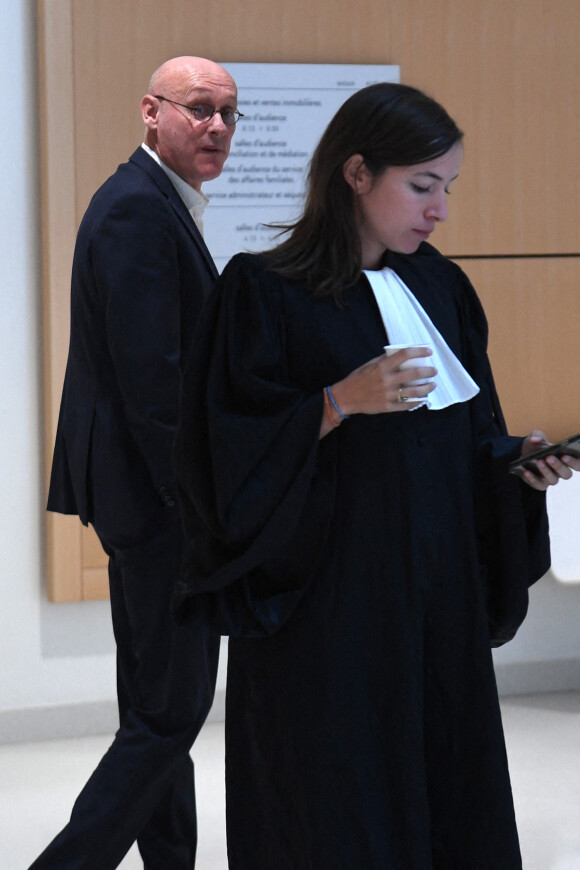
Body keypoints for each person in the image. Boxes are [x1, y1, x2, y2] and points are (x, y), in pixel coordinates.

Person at [173, 82, 580, 869]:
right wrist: (333, 403)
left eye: (447, 188)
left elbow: (467, 443)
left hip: (435, 601)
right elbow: (223, 458)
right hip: (330, 612)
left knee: (445, 785)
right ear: (356, 173)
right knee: (335, 799)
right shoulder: (262, 292)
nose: (440, 210)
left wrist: (516, 467)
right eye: (422, 186)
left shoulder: (442, 287)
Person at [32, 56, 240, 870]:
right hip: (159, 506)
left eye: (229, 112)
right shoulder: (136, 213)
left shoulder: (156, 205)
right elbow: (155, 386)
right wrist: (197, 510)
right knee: (170, 714)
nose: (218, 126)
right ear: (151, 112)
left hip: (145, 498)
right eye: (199, 108)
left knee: (155, 707)